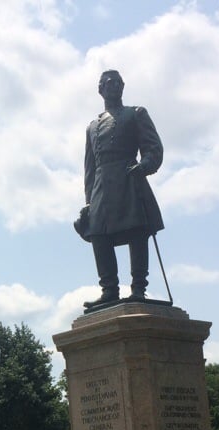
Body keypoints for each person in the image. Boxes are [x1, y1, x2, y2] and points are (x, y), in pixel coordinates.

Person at [78, 70, 164, 309]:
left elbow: (153, 148)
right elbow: (89, 167)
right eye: (108, 83)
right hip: (101, 188)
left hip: (129, 179)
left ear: (123, 87)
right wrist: (88, 201)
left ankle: (138, 288)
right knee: (97, 234)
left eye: (117, 82)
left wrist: (144, 165)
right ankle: (109, 289)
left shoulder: (136, 114)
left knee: (137, 232)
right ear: (100, 89)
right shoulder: (92, 127)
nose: (113, 86)